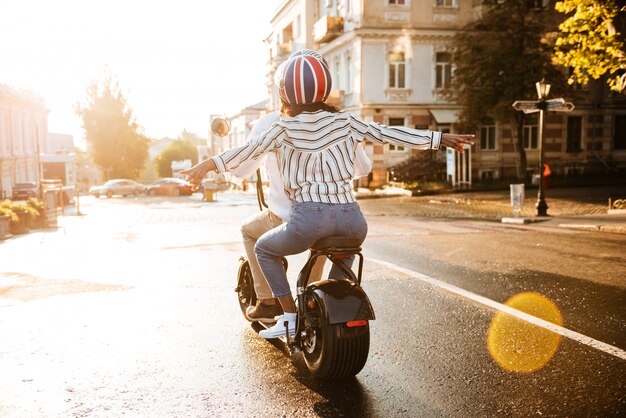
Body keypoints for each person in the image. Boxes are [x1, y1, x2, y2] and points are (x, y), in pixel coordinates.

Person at [182, 51, 474, 339]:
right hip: (353, 221)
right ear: (326, 88)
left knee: (263, 249)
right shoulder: (345, 122)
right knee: (341, 262)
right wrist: (439, 138)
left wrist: (209, 164)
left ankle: (289, 317)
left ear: (284, 93)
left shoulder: (282, 128)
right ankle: (330, 305)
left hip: (308, 221)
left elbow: (247, 152)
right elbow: (388, 133)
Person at [229, 109, 372, 323]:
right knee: (326, 239)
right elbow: (364, 167)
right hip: (338, 215)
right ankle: (315, 302)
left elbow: (241, 170)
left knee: (249, 232)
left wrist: (228, 168)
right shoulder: (338, 120)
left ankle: (268, 303)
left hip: (292, 219)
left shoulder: (269, 123)